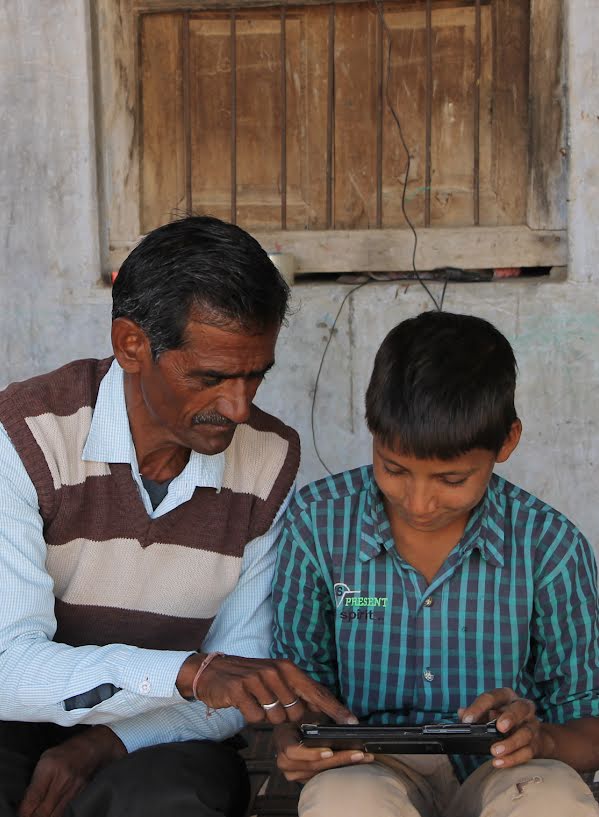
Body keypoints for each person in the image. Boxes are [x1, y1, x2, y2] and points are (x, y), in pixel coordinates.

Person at [0, 216, 353, 817]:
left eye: (255, 375)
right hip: (15, 718)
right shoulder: (25, 437)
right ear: (131, 345)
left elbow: (234, 681)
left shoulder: (268, 461)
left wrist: (104, 742)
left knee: (178, 798)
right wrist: (188, 672)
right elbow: (9, 666)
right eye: (210, 378)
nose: (239, 407)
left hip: (156, 735)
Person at [271, 310, 599, 817]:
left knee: (553, 801)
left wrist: (544, 741)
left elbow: (589, 721)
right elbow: (301, 692)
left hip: (506, 771)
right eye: (394, 469)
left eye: (451, 480)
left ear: (506, 442)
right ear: (372, 429)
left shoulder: (550, 546)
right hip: (371, 766)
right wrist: (293, 741)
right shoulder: (317, 523)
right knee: (346, 802)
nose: (418, 502)